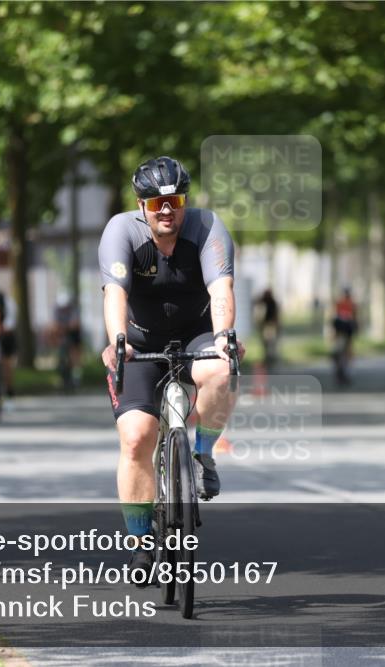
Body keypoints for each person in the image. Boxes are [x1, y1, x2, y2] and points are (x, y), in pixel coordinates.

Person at [97, 156, 244, 579]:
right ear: (140, 204)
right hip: (139, 340)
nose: (166, 210)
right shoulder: (121, 231)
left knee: (220, 369)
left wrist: (222, 337)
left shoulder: (207, 228)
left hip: (196, 331)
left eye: (174, 200)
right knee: (137, 437)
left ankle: (202, 454)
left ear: (185, 200)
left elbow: (221, 289)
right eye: (156, 202)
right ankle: (141, 545)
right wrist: (117, 340)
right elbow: (115, 294)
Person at [51, 297, 83, 391]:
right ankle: (63, 377)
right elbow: (55, 326)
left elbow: (75, 325)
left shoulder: (74, 309)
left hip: (74, 335)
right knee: (61, 355)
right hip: (62, 335)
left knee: (75, 356)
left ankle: (76, 377)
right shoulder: (56, 310)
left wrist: (63, 327)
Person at [0, 289, 18, 398]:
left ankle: (9, 388)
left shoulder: (8, 303)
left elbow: (10, 323)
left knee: (7, 361)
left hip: (5, 334)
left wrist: (0, 329)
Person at [331, 287, 358, 385]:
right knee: (347, 351)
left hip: (341, 330)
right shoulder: (351, 304)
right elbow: (355, 319)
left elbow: (333, 317)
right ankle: (346, 370)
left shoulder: (340, 303)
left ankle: (341, 370)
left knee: (340, 351)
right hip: (345, 330)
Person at [255, 288, 280, 369]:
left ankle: (270, 359)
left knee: (270, 343)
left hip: (270, 325)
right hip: (265, 325)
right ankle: (268, 358)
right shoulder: (263, 301)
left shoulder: (272, 302)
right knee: (266, 344)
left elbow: (275, 315)